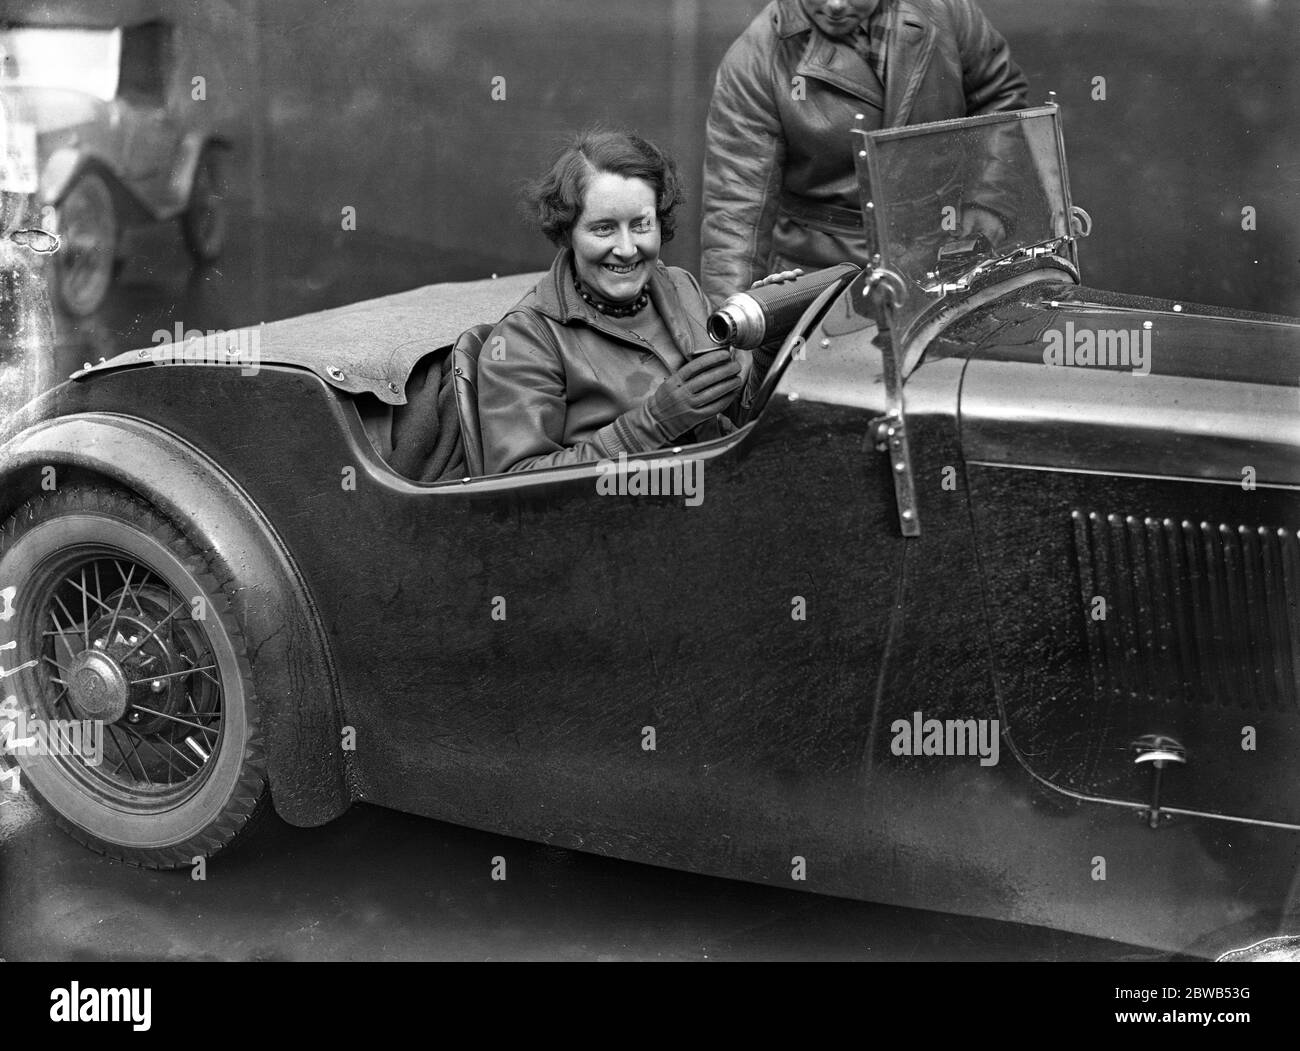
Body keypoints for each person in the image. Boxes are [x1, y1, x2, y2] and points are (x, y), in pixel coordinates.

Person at [478, 129, 790, 475]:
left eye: (641, 225)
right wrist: (651, 424)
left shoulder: (680, 287)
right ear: (568, 232)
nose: (627, 249)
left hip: (713, 494)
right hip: (616, 520)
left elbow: (736, 419)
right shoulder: (525, 340)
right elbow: (515, 484)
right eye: (603, 229)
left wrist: (769, 345)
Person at [701, 0, 1028, 308]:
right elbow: (735, 212)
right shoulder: (756, 58)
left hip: (949, 262)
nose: (835, 5)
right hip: (823, 282)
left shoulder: (943, 11)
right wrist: (733, 334)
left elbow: (999, 97)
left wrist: (988, 203)